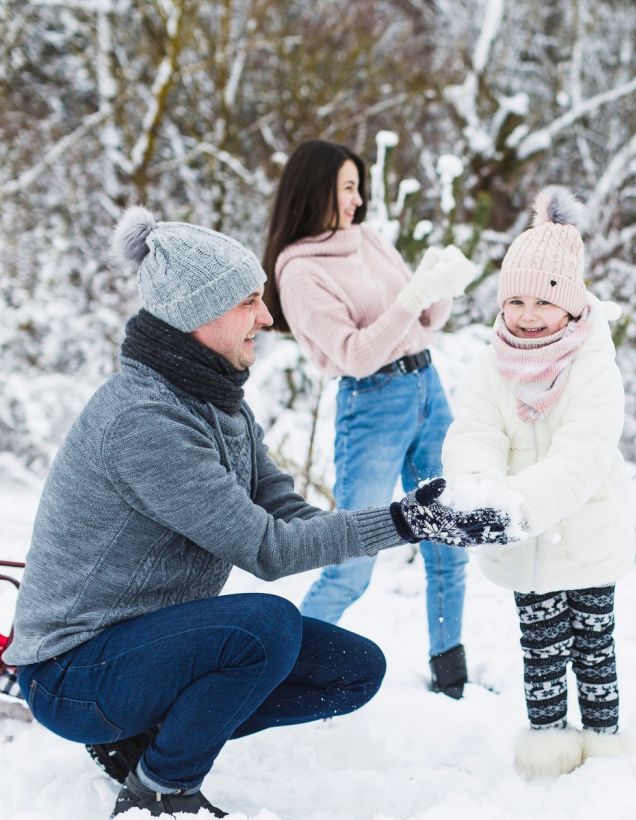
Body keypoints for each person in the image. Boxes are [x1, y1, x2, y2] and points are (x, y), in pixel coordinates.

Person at [1, 207, 509, 818]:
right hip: (73, 674)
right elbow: (267, 549)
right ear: (197, 314)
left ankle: (140, 742)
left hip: (143, 647)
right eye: (249, 302)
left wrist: (419, 516)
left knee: (353, 670)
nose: (267, 318)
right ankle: (160, 787)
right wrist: (402, 522)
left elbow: (287, 514)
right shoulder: (144, 422)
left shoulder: (219, 404)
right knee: (263, 627)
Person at [261, 140, 479, 697]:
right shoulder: (300, 270)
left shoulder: (371, 240)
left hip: (427, 386)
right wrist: (411, 299)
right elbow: (355, 352)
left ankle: (450, 674)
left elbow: (425, 317)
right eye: (348, 188)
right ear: (316, 192)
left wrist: (441, 282)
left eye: (360, 187)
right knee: (352, 557)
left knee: (450, 535)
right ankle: (284, 673)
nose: (359, 201)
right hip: (372, 401)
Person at [440, 186, 636, 778]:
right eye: (515, 300)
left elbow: (583, 454)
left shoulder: (594, 367)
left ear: (572, 305)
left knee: (593, 646)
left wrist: (519, 505)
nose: (527, 315)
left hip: (585, 535)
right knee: (541, 649)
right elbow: (475, 429)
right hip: (523, 546)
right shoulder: (491, 363)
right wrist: (481, 491)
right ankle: (548, 741)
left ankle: (603, 742)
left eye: (544, 302)